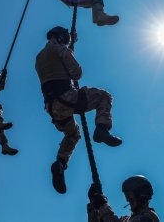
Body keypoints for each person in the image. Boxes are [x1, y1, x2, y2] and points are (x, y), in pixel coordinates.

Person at [35, 26, 122, 194]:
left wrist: (69, 45)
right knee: (104, 96)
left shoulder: (39, 57)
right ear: (60, 38)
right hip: (67, 98)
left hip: (53, 108)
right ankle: (102, 129)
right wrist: (68, 51)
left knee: (73, 134)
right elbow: (76, 73)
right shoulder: (59, 49)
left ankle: (60, 163)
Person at [87, 176, 160, 222]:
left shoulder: (148, 218)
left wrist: (103, 206)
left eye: (130, 197)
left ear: (141, 195)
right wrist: (94, 204)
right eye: (126, 197)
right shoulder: (126, 220)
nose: (127, 200)